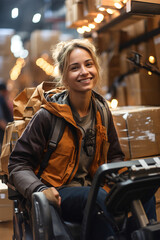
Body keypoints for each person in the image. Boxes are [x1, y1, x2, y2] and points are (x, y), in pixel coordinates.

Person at [8, 39, 156, 240]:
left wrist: (127, 182)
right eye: (74, 68)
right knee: (94, 198)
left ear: (96, 67)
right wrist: (40, 190)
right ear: (64, 77)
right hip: (61, 193)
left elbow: (114, 157)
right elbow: (18, 164)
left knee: (143, 192)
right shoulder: (47, 116)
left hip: (95, 190)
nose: (84, 72)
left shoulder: (102, 112)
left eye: (88, 64)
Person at [0, 82, 13, 152]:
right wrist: (11, 131)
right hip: (5, 134)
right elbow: (1, 121)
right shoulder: (1, 99)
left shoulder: (3, 99)